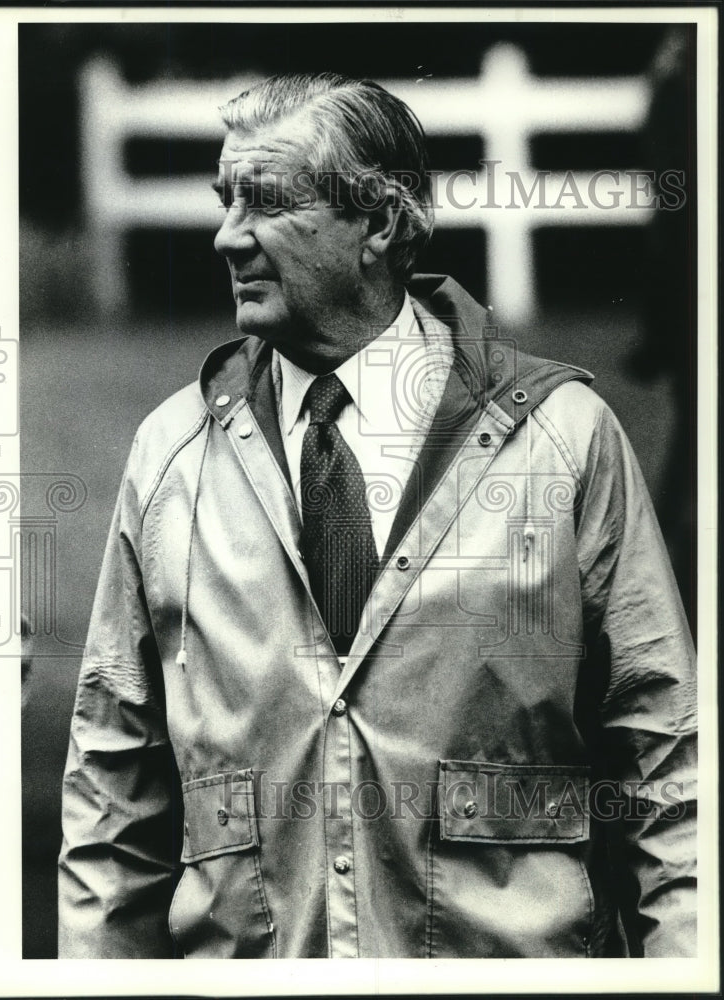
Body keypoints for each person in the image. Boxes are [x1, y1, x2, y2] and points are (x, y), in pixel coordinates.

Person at [58, 72, 696, 959]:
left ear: (381, 225)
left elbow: (664, 761)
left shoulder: (563, 439)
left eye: (266, 203)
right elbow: (111, 782)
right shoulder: (172, 453)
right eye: (222, 200)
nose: (225, 236)